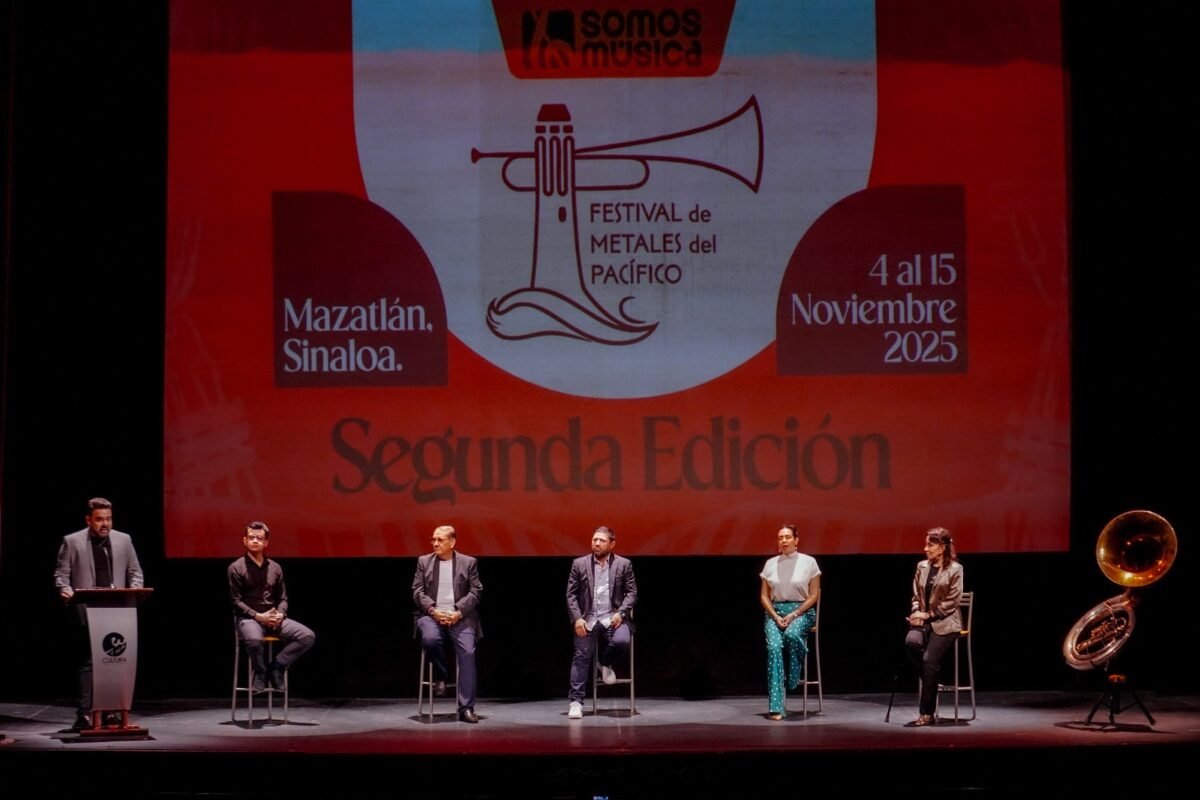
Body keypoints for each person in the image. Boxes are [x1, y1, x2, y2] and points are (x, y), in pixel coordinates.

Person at [54, 497, 144, 731]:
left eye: (109, 519)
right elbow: (62, 575)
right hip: (87, 612)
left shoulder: (124, 540)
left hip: (118, 612)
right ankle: (84, 714)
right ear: (88, 520)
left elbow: (135, 571)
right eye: (99, 519)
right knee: (88, 662)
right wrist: (64, 589)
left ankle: (112, 712)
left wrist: (135, 590)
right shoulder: (72, 541)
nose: (105, 524)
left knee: (116, 661)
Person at [228, 521, 316, 693]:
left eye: (259, 538)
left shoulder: (275, 567)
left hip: (273, 618)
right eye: (251, 537)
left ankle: (277, 666)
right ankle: (260, 671)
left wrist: (280, 614)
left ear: (266, 542)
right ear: (245, 540)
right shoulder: (236, 567)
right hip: (249, 619)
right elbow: (236, 601)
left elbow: (283, 598)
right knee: (254, 641)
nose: (255, 541)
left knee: (307, 636)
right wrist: (258, 616)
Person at [412, 525, 483, 723]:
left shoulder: (468, 562)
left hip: (459, 616)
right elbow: (417, 591)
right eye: (433, 539)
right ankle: (442, 674)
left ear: (452, 542)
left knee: (468, 652)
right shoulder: (424, 562)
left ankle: (466, 708)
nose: (435, 543)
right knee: (430, 638)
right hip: (431, 614)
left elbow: (475, 592)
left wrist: (458, 613)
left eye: (440, 540)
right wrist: (433, 610)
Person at [565, 525, 638, 720]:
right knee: (581, 655)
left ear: (611, 544)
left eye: (601, 540)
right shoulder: (579, 564)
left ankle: (604, 663)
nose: (596, 543)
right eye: (594, 540)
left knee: (622, 641)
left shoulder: (624, 564)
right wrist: (577, 618)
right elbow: (571, 595)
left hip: (612, 617)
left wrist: (621, 613)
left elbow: (632, 593)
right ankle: (576, 702)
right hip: (588, 618)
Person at [758, 523, 821, 720]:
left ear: (796, 540)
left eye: (787, 537)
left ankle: (793, 676)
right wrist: (775, 616)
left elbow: (814, 595)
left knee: (792, 634)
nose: (783, 541)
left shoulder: (809, 562)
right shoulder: (770, 564)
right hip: (775, 612)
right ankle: (776, 707)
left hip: (802, 612)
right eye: (780, 538)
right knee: (774, 648)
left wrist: (795, 614)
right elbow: (764, 596)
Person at [904, 526, 963, 727]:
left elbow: (953, 601)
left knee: (929, 660)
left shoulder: (955, 569)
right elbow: (915, 595)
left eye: (930, 545)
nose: (925, 549)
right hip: (924, 620)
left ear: (942, 547)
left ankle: (927, 713)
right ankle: (932, 678)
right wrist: (916, 613)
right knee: (911, 642)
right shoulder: (921, 566)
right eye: (926, 544)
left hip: (946, 622)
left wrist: (928, 615)